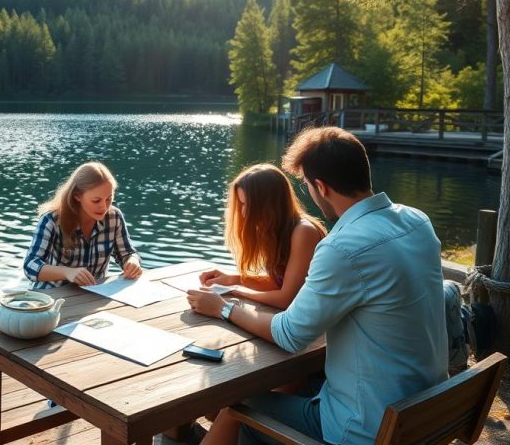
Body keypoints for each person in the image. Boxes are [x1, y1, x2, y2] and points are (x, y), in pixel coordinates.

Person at [188, 127, 447, 445]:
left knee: (235, 404)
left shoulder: (344, 247)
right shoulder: (416, 221)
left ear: (321, 187)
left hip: (365, 427)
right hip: (427, 408)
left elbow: (289, 334)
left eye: (307, 185)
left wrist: (225, 307)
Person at [200, 164, 326, 310]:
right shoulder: (275, 230)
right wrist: (233, 279)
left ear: (267, 204)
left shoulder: (303, 232)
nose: (243, 212)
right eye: (241, 204)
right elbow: (278, 283)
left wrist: (234, 292)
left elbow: (287, 298)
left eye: (246, 204)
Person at [23, 161, 143, 289]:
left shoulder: (114, 217)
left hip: (93, 295)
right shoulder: (51, 220)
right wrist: (67, 272)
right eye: (96, 200)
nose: (104, 206)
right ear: (77, 196)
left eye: (109, 198)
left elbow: (127, 253)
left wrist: (132, 262)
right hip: (52, 296)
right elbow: (30, 266)